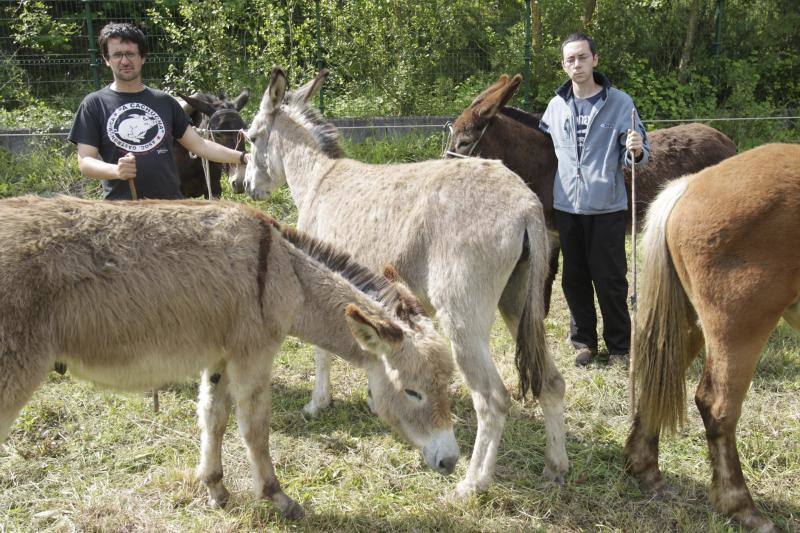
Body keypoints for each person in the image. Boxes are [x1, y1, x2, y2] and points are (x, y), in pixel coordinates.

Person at [539, 32, 649, 367]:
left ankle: (619, 346)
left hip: (606, 207)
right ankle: (584, 341)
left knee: (610, 279)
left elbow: (638, 154)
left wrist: (636, 149)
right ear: (564, 65)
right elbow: (546, 152)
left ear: (595, 59)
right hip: (567, 207)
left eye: (582, 57)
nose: (577, 64)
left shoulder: (620, 103)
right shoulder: (556, 106)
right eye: (570, 59)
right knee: (574, 279)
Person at [68, 22, 248, 200]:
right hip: (122, 210)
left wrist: (243, 157)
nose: (124, 61)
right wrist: (115, 170)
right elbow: (85, 161)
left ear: (143, 57)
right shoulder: (94, 104)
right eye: (117, 55)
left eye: (130, 54)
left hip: (169, 209)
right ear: (107, 59)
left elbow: (200, 145)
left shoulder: (164, 102)